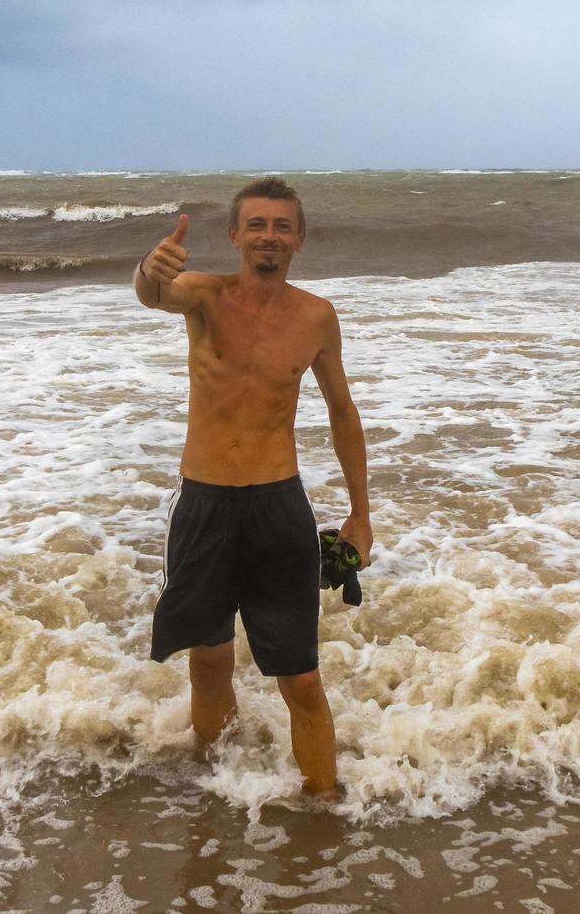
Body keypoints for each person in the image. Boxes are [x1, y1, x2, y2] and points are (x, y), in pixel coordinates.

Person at [134, 177, 371, 798]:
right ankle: (215, 790)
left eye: (283, 225)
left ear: (300, 239)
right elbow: (156, 293)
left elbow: (343, 414)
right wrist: (148, 268)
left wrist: (361, 514)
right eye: (258, 224)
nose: (270, 235)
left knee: (302, 679)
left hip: (277, 510)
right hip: (204, 506)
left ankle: (324, 807)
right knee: (208, 663)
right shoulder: (204, 296)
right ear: (235, 234)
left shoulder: (316, 317)